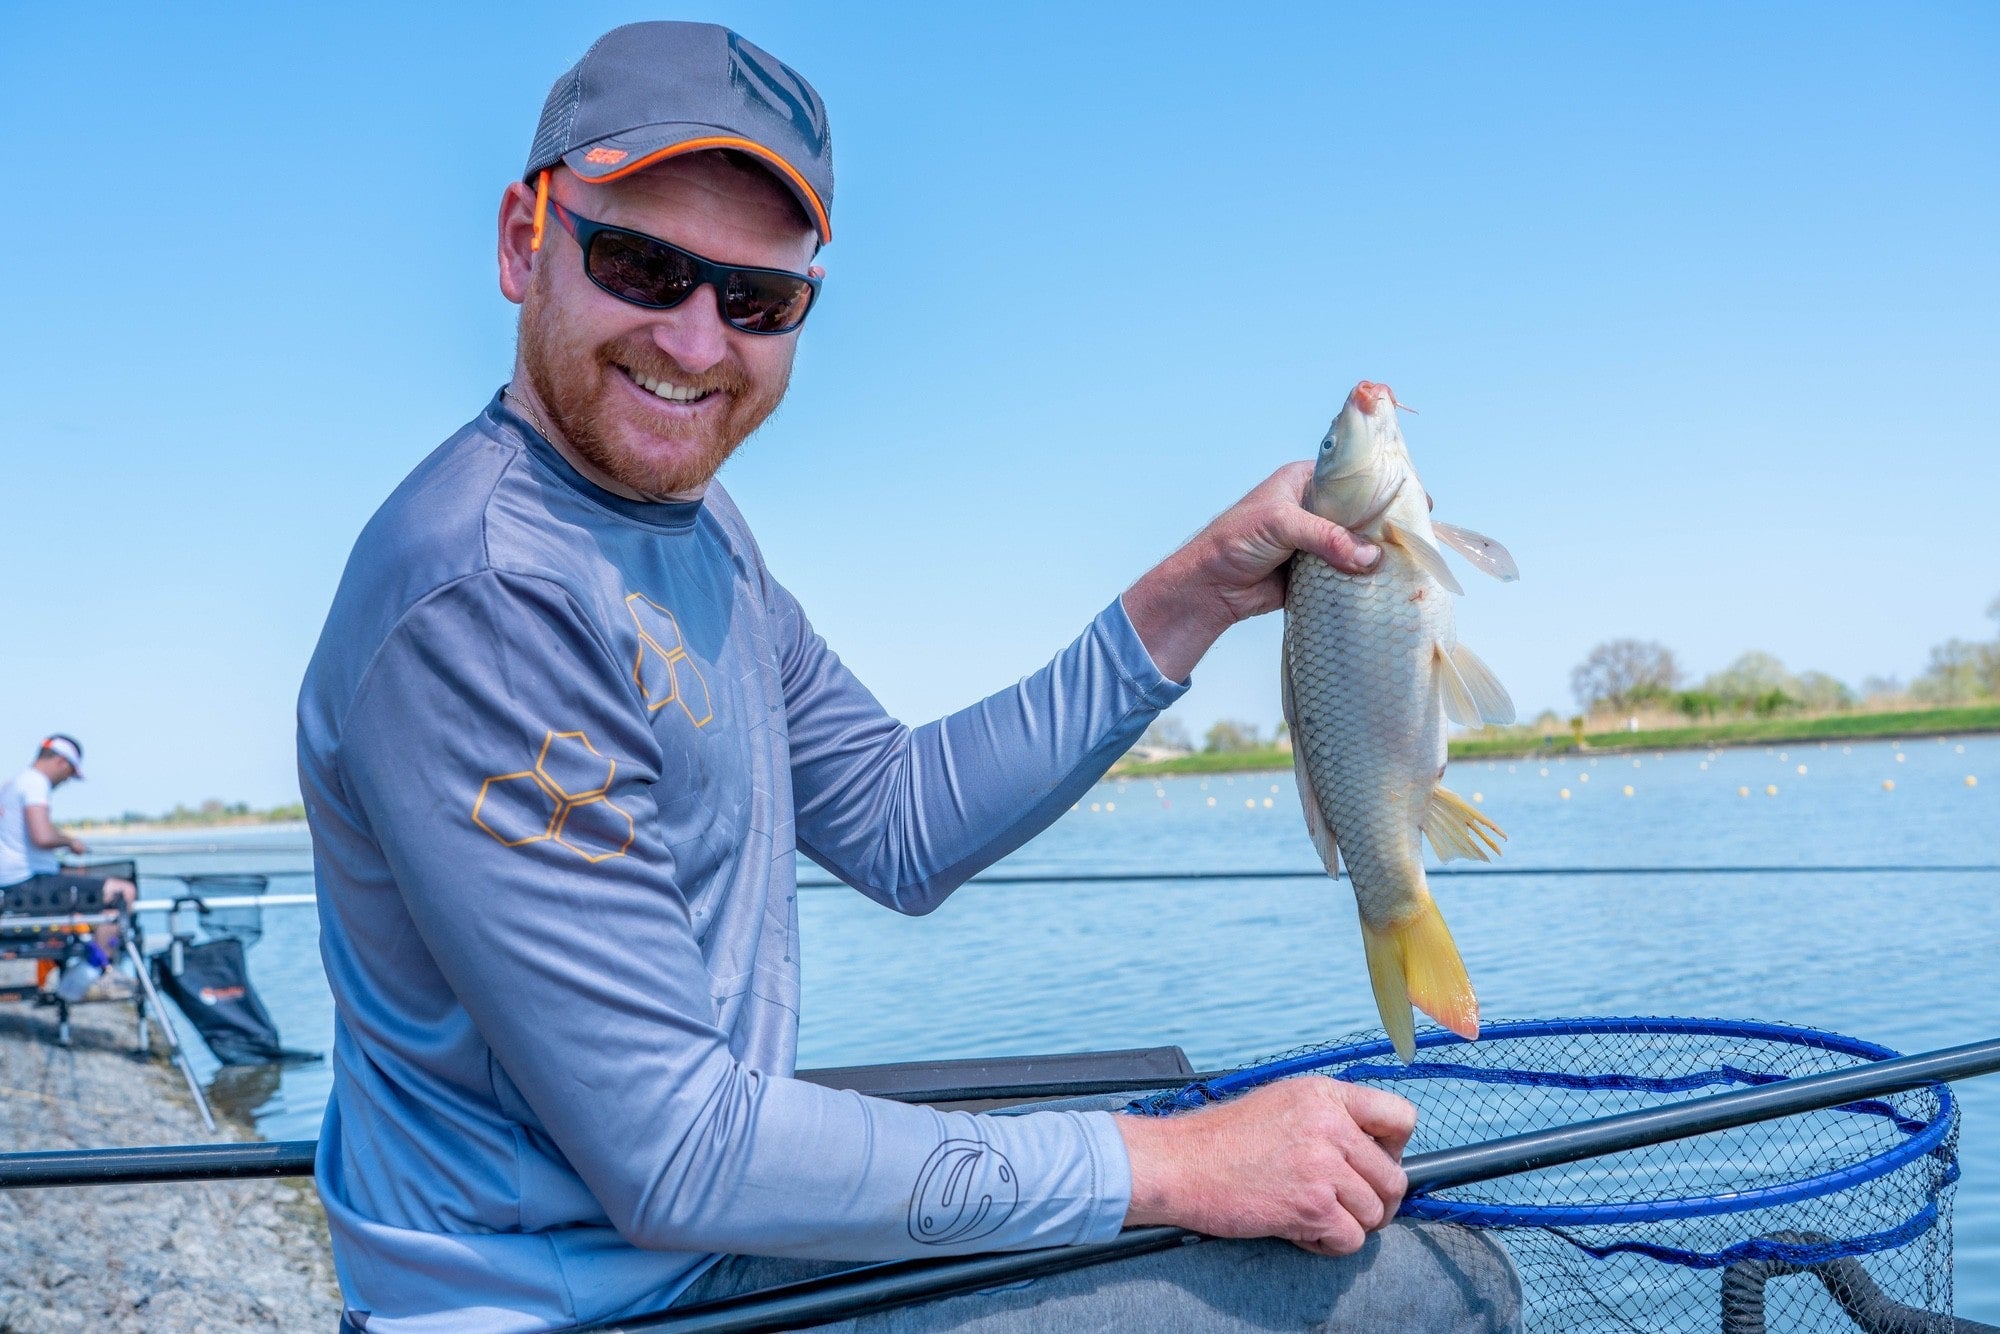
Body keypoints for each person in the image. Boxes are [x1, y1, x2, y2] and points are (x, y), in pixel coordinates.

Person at [297, 21, 1519, 1333]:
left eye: (756, 299)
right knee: (1431, 1287)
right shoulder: (486, 594)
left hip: (698, 1248)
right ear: (522, 242)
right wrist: (1174, 1163)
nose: (698, 342)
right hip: (578, 1300)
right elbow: (680, 1151)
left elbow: (897, 818)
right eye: (642, 265)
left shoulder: (697, 540)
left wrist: (1200, 590)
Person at [0, 735, 137, 997]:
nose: (66, 781)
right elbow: (42, 837)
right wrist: (70, 842)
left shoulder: (11, 784)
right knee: (124, 891)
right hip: (26, 885)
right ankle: (93, 972)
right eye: (70, 773)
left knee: (87, 881)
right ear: (61, 762)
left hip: (14, 882)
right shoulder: (35, 783)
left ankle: (90, 962)